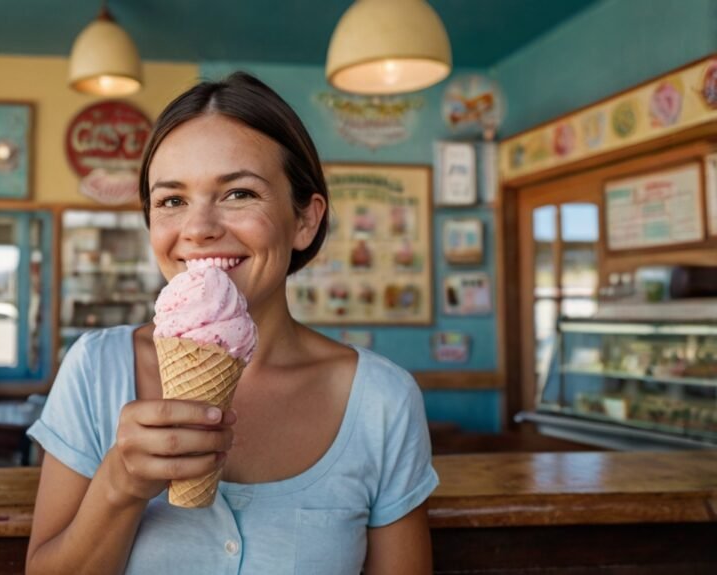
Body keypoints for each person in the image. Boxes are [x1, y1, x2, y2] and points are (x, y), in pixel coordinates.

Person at [25, 73, 438, 575]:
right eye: (172, 200)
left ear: (305, 219)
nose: (198, 229)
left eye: (239, 194)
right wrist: (118, 487)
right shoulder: (95, 371)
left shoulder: (382, 399)